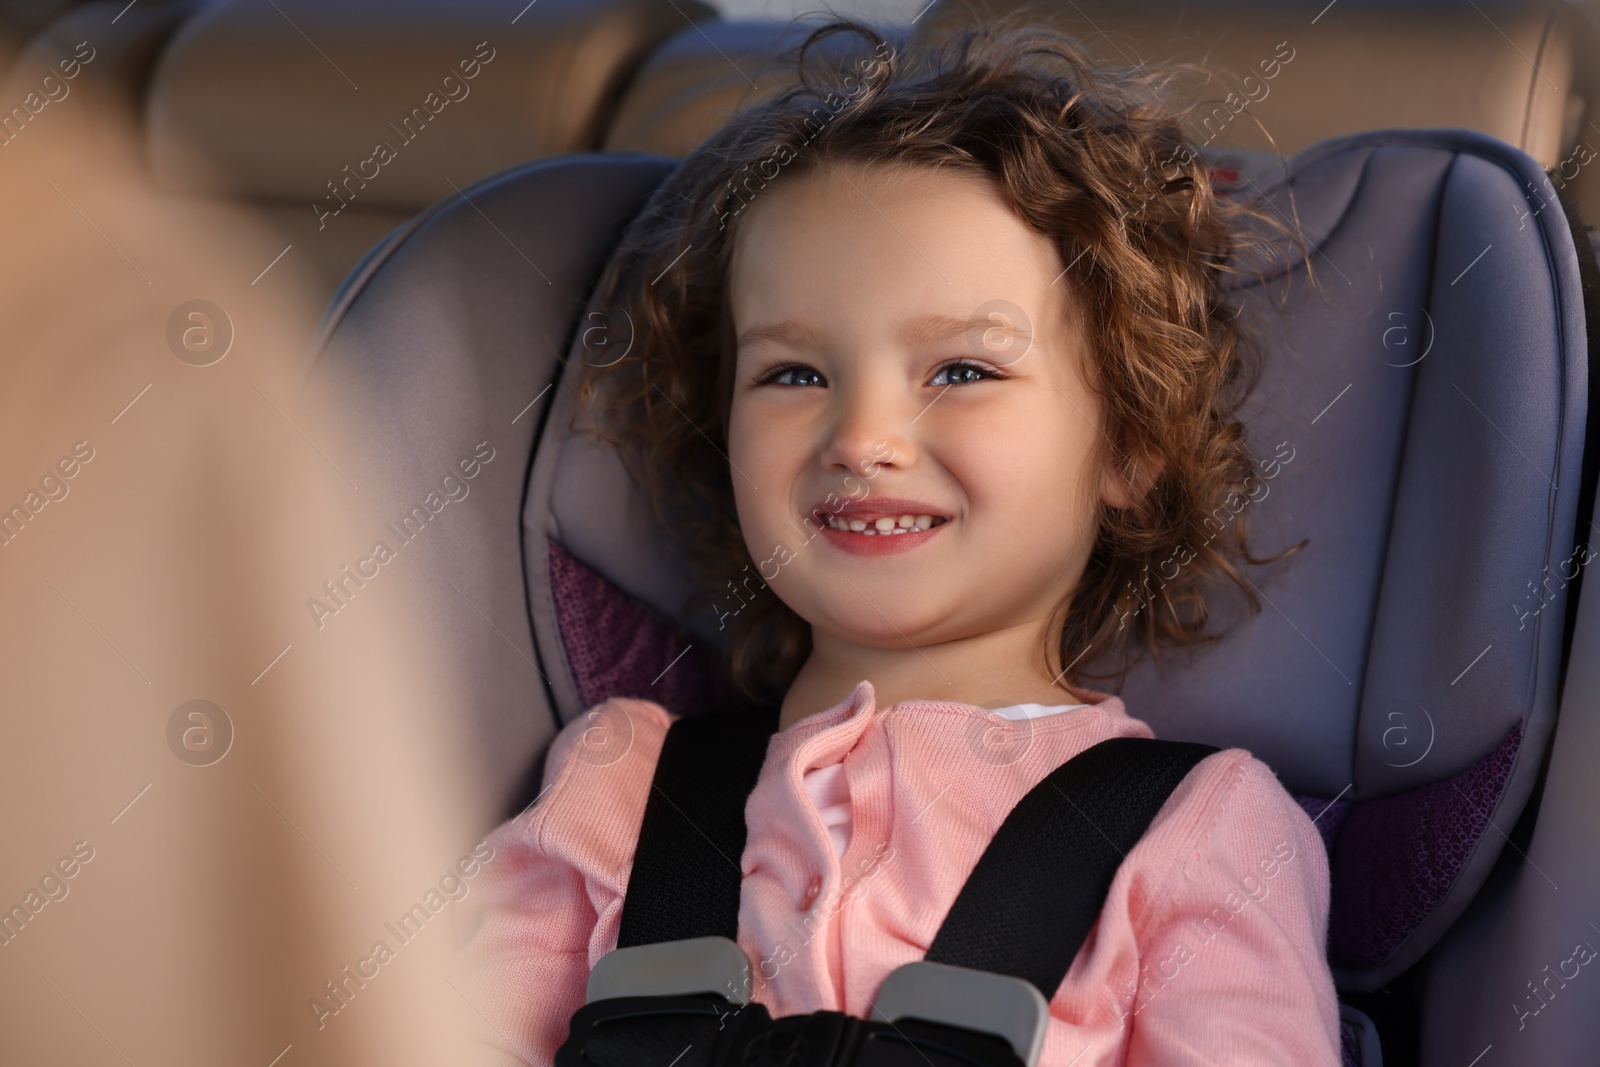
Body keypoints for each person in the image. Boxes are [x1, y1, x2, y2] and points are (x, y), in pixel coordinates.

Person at [460, 15, 1339, 1065]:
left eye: (961, 371)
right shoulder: (619, 783)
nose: (862, 438)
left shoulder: (1197, 828)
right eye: (794, 374)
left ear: (1129, 445)